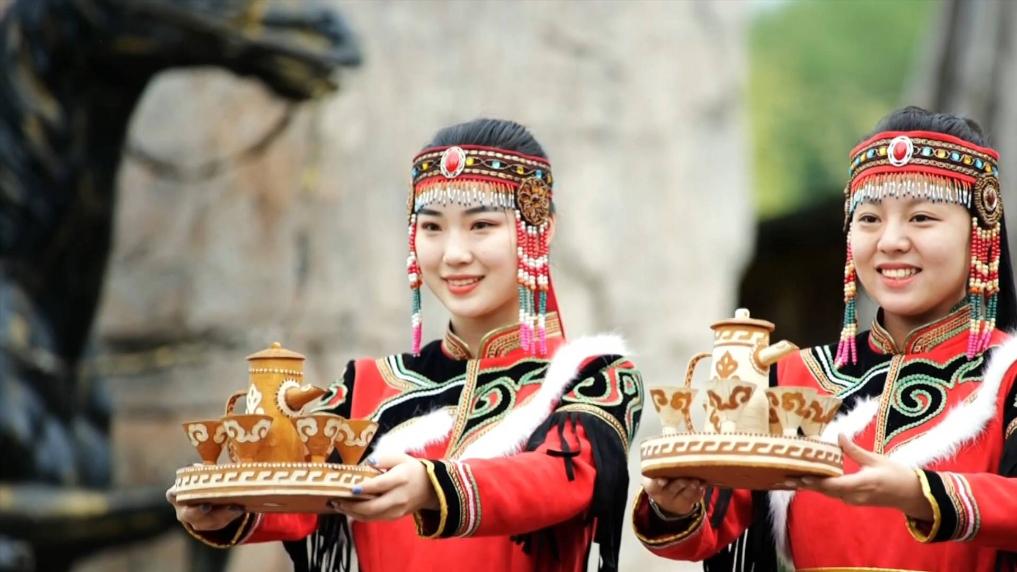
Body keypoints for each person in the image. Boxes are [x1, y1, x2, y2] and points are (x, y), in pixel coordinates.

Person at [169, 118, 643, 572]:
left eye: (481, 225)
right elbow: (299, 492)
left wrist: (433, 486)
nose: (454, 254)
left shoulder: (593, 377)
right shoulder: (368, 387)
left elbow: (559, 480)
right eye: (432, 227)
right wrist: (229, 507)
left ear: (541, 227)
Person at [633, 107, 1017, 571]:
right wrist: (673, 504)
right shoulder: (792, 376)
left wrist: (920, 493)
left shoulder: (1007, 374)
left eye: (921, 218)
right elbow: (714, 523)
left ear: (981, 233)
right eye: (869, 219)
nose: (890, 241)